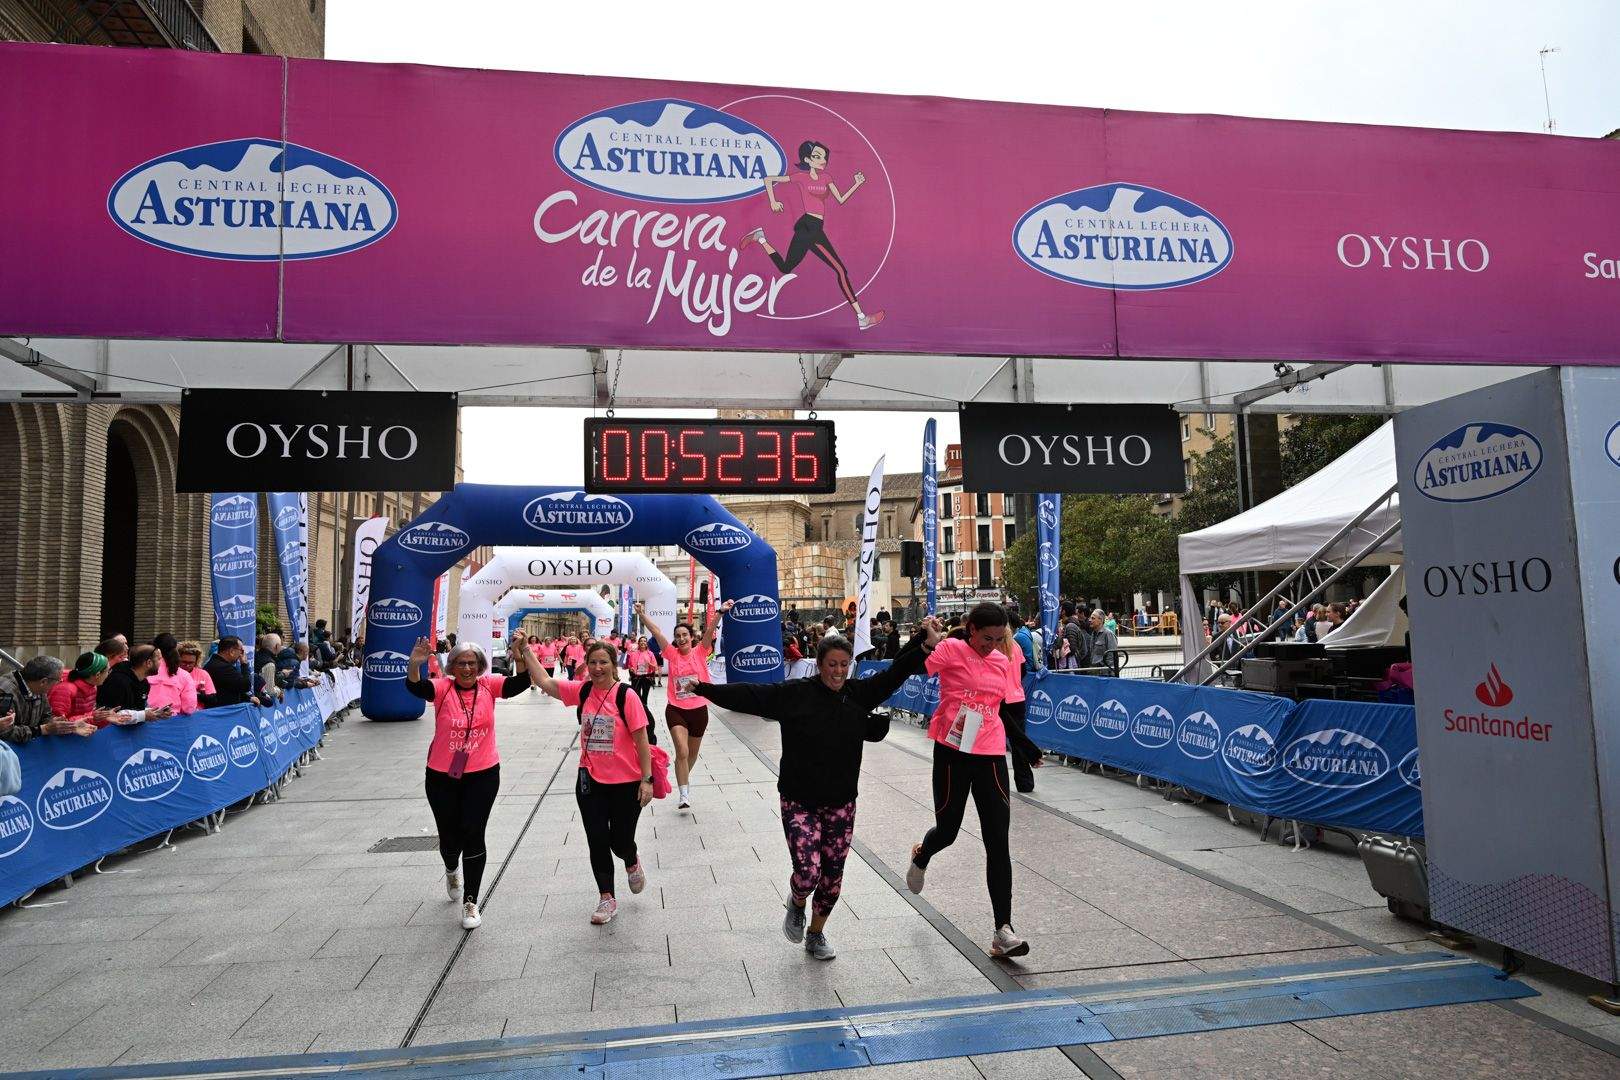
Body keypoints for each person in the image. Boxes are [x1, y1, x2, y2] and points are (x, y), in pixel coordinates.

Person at [694, 619, 943, 960]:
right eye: (832, 665)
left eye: (844, 665)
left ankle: (816, 933)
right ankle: (796, 902)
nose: (838, 672)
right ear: (819, 664)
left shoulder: (858, 695)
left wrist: (922, 642)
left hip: (841, 803)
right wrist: (703, 689)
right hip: (799, 800)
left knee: (832, 876)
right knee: (808, 872)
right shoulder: (796, 694)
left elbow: (895, 673)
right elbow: (750, 695)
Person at [905, 603, 1029, 959]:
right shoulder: (951, 649)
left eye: (998, 639)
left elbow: (1001, 707)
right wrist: (927, 641)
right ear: (971, 629)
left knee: (998, 843)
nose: (991, 645)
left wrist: (1024, 745)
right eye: (986, 638)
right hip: (952, 750)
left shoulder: (1001, 662)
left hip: (989, 753)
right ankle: (922, 853)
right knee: (948, 830)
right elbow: (916, 666)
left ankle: (1002, 930)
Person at [405, 632, 534, 930]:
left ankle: (471, 901)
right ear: (452, 666)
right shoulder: (443, 688)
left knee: (474, 833)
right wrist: (415, 663)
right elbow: (415, 687)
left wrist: (519, 654)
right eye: (461, 663)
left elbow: (520, 684)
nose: (467, 669)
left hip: (483, 774)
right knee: (450, 838)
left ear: (480, 666)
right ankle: (451, 868)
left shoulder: (489, 686)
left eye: (472, 664)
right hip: (441, 776)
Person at [530, 641, 654, 926]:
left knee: (620, 840)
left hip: (626, 782)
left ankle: (631, 858)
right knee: (597, 839)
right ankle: (606, 897)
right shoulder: (583, 690)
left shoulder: (626, 695)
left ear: (614, 664)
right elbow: (546, 682)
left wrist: (647, 780)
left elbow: (641, 740)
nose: (597, 668)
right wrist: (525, 652)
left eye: (604, 662)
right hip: (589, 780)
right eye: (593, 662)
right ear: (586, 664)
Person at [740, 138, 884, 332]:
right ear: (807, 160)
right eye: (817, 157)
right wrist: (773, 201)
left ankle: (761, 237)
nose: (822, 160)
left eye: (823, 157)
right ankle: (861, 318)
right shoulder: (801, 177)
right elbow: (768, 179)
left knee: (785, 267)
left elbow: (841, 199)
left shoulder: (827, 178)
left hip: (815, 228)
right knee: (840, 270)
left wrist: (856, 184)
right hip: (809, 226)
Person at [639, 599, 731, 810]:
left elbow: (709, 630)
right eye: (678, 636)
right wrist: (642, 614)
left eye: (684, 635)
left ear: (691, 638)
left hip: (699, 710)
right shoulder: (671, 654)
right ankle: (684, 794)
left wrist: (720, 612)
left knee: (691, 754)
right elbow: (655, 631)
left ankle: (682, 776)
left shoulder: (700, 651)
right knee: (681, 751)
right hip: (676, 709)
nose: (681, 639)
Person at [3, 656, 94, 743]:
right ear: (43, 681)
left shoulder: (39, 689)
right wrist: (44, 729)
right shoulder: (5, 692)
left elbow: (46, 716)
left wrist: (63, 725)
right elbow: (5, 732)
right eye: (58, 680)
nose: (59, 683)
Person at [997, 634, 1045, 794]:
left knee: (1002, 741)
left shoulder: (993, 649)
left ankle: (996, 781)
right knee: (1018, 740)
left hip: (999, 698)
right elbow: (1023, 670)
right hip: (1017, 697)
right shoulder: (1015, 646)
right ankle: (1025, 783)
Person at [97, 645, 175, 721]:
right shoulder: (117, 681)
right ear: (149, 663)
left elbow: (137, 709)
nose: (161, 663)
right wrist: (143, 715)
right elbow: (111, 714)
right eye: (159, 659)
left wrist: (156, 713)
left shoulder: (144, 683)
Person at [202, 637, 264, 708]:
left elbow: (231, 687)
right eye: (241, 651)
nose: (242, 654)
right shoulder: (222, 667)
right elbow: (245, 686)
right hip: (222, 713)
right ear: (231, 651)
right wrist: (244, 664)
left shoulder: (216, 663)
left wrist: (248, 698)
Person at [49, 651, 111, 721]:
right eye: (108, 671)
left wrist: (106, 719)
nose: (108, 674)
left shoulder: (92, 686)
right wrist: (92, 717)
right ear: (97, 675)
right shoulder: (65, 690)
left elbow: (87, 718)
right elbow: (59, 723)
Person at [627, 636, 658, 729]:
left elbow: (655, 667)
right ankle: (638, 715)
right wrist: (631, 669)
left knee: (644, 697)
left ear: (646, 643)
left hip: (646, 678)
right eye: (641, 641)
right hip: (636, 678)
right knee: (636, 696)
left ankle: (645, 716)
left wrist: (649, 664)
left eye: (645, 641)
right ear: (638, 643)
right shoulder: (633, 654)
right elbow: (630, 665)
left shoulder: (650, 654)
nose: (643, 642)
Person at [1086, 609, 1118, 674]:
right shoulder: (1093, 634)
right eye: (1090, 618)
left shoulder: (1108, 634)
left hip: (1104, 674)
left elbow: (1112, 656)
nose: (1090, 620)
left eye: (1093, 618)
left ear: (1100, 620)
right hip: (1094, 672)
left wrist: (1108, 673)